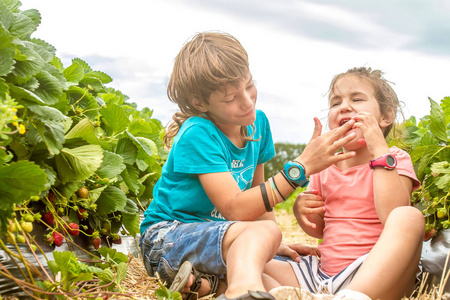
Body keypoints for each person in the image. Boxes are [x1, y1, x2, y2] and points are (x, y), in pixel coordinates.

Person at [139, 31, 358, 300]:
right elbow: (235, 207)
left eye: (249, 85)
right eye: (231, 98)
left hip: (220, 240)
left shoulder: (258, 124)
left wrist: (271, 244)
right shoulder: (198, 133)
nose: (247, 101)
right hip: (166, 239)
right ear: (200, 103)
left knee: (269, 251)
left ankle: (205, 286)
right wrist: (299, 168)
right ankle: (240, 293)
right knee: (260, 251)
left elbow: (259, 198)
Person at [265, 67, 425, 300]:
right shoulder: (325, 167)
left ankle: (352, 295)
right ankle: (315, 295)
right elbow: (319, 229)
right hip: (322, 275)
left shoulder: (394, 158)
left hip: (375, 272)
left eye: (357, 99)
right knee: (251, 261)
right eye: (335, 102)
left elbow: (392, 213)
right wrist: (302, 212)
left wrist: (379, 149)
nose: (345, 106)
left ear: (385, 117)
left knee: (409, 217)